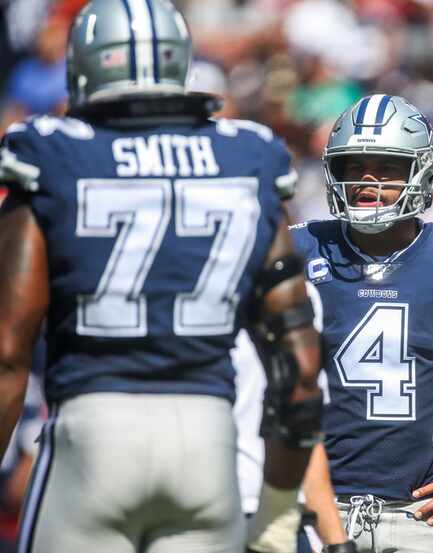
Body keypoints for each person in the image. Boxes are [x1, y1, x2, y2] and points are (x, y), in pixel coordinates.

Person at [0, 1, 322, 552]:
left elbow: (8, 349)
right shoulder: (248, 155)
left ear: (84, 67)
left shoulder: (52, 152)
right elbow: (297, 366)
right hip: (207, 446)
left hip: (94, 434)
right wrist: (276, 505)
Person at [291, 94, 433, 553]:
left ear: (420, 171)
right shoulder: (301, 250)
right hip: (314, 508)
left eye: (386, 167)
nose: (367, 180)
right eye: (353, 166)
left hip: (419, 515)